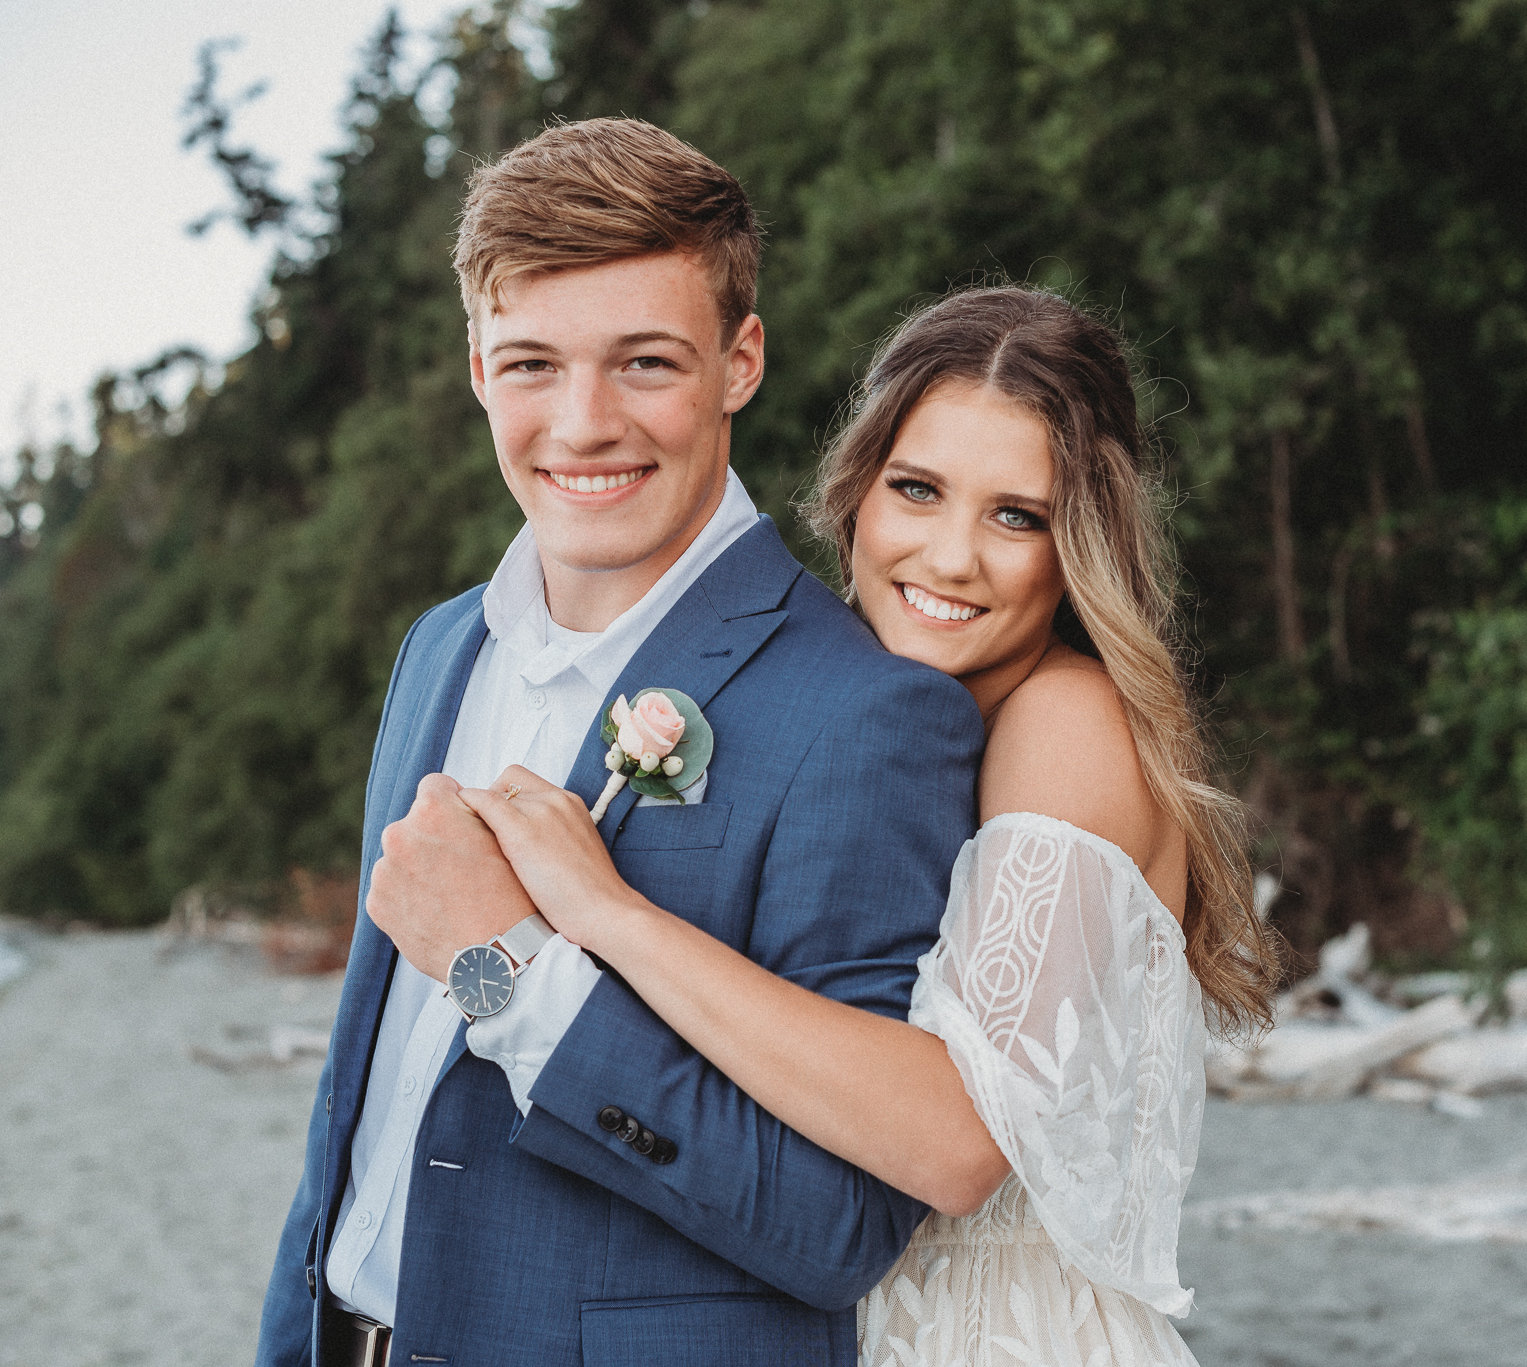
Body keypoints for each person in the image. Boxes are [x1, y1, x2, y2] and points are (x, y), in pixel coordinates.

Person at [254, 118, 985, 1367]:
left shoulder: (864, 715)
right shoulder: (438, 648)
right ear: (477, 364)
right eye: (531, 363)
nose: (583, 424)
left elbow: (839, 1225)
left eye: (644, 363)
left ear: (738, 361)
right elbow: (361, 1122)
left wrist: (506, 966)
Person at [463, 285, 1282, 1366]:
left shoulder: (1065, 721)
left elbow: (954, 1143)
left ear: (1076, 542)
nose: (949, 557)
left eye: (1014, 515)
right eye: (918, 489)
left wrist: (602, 911)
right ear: (856, 493)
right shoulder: (873, 732)